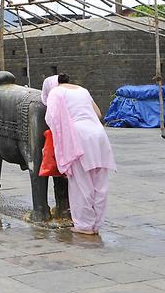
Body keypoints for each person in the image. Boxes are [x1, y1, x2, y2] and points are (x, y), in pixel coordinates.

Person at [43, 74, 116, 235]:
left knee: (81, 183)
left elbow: (52, 118)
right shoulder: (82, 90)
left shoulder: (56, 93)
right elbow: (98, 113)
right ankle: (96, 225)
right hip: (98, 134)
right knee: (100, 183)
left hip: (79, 137)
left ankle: (84, 226)